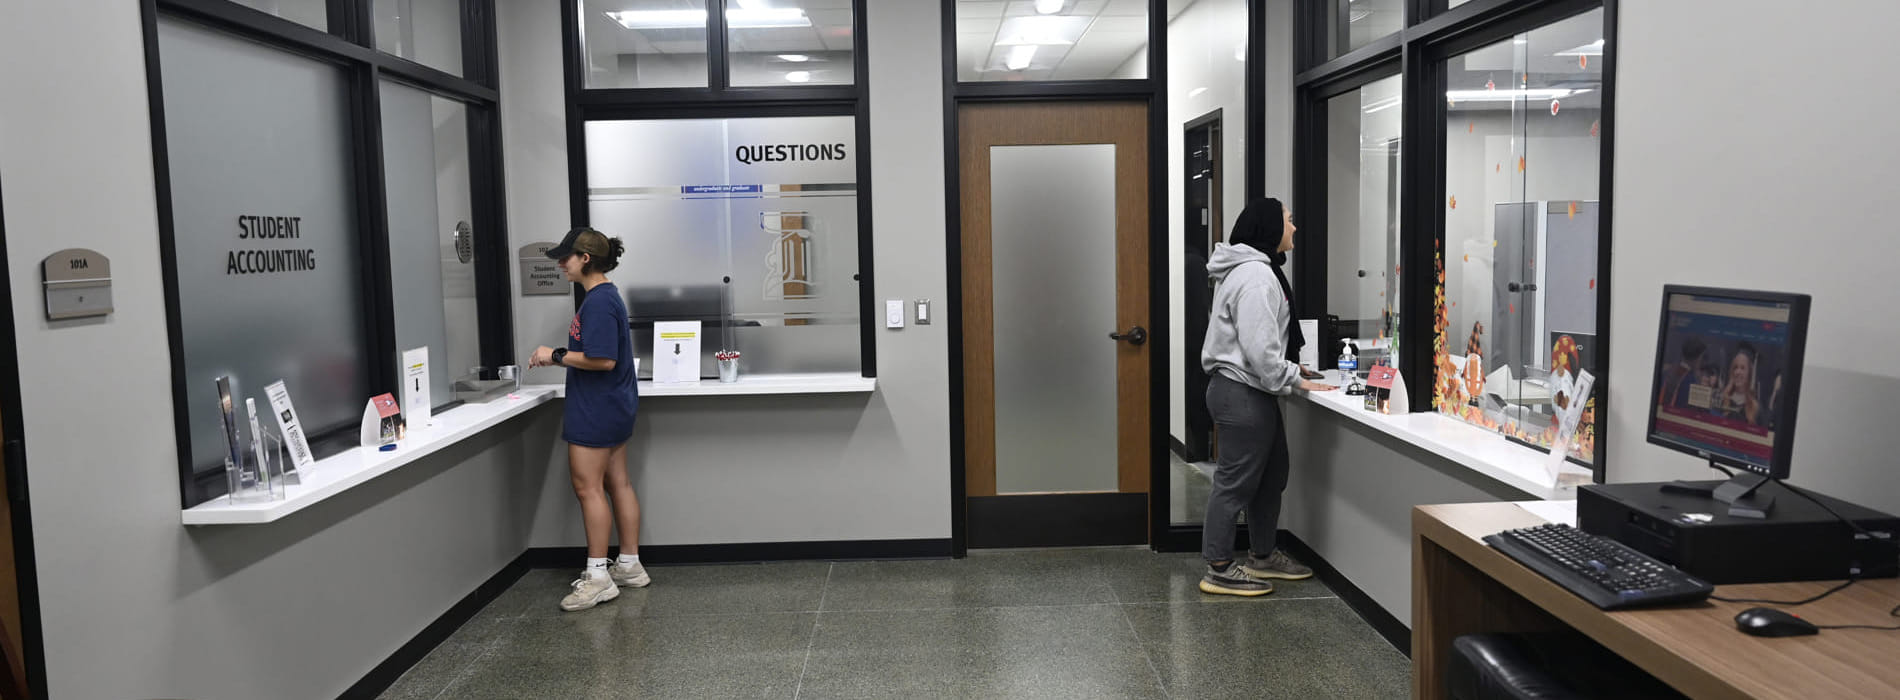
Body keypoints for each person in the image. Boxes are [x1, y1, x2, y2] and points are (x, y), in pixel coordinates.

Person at [1197, 198, 1339, 597]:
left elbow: (1262, 348)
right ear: (1270, 230)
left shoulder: (1256, 271)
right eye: (1289, 221)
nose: (1294, 228)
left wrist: (1293, 373)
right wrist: (1294, 376)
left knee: (1272, 475)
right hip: (1241, 393)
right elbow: (1261, 350)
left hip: (1250, 391)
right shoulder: (1257, 278)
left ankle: (1262, 555)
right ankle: (1219, 567)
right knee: (1235, 483)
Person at [529, 227, 650, 611]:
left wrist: (556, 355)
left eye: (566, 257)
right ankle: (629, 565)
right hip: (614, 405)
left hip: (596, 408)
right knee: (619, 483)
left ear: (585, 259)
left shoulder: (598, 302)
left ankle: (598, 578)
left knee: (588, 489)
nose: (561, 264)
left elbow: (603, 360)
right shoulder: (607, 297)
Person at [1712, 342, 1761, 425]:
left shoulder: (1755, 407)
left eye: (1743, 368)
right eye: (1735, 367)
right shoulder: (1722, 399)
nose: (1738, 372)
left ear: (1750, 373)